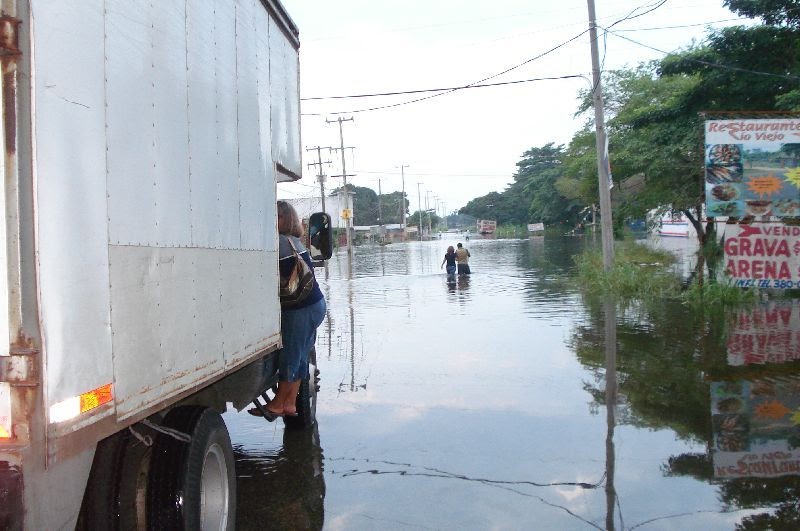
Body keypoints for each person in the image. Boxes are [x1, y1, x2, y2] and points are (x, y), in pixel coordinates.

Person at [251, 201, 326, 419]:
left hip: (300, 309)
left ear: (286, 219)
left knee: (291, 355)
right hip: (313, 305)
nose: (270, 220)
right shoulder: (294, 241)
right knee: (301, 356)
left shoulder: (279, 243)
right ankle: (290, 403)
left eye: (276, 216)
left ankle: (277, 403)